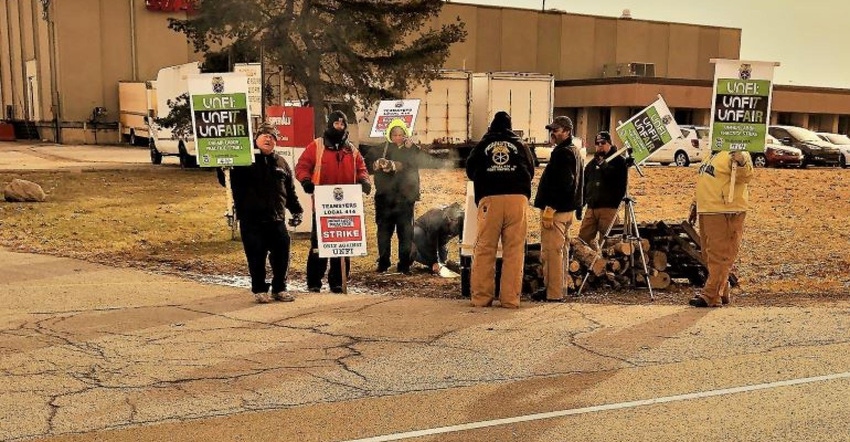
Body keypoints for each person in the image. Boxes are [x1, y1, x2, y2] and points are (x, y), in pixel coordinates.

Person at [217, 124, 304, 304]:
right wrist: (222, 165)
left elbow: (289, 191)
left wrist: (296, 210)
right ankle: (259, 289)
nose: (268, 139)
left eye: (272, 136)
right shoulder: (243, 161)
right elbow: (226, 181)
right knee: (256, 256)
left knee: (282, 254)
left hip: (276, 219)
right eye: (264, 135)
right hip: (252, 220)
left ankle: (279, 288)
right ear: (256, 139)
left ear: (276, 142)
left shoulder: (281, 163)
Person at [295, 110, 371, 293]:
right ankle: (314, 282)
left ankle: (338, 281)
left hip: (346, 206)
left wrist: (364, 181)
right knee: (319, 245)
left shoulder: (351, 149)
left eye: (342, 124)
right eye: (336, 124)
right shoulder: (317, 146)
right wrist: (306, 181)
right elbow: (302, 166)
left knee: (342, 245)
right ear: (330, 125)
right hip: (323, 206)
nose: (340, 127)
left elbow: (362, 168)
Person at [465, 111, 535, 308]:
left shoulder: (483, 145)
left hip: (490, 200)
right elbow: (531, 170)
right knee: (514, 251)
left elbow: (470, 170)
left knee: (485, 249)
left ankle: (481, 298)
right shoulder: (520, 144)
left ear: (492, 126)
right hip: (518, 200)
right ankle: (510, 300)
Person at [688, 149, 753, 307]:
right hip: (707, 209)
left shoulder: (736, 153)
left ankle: (711, 295)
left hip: (726, 209)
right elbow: (704, 181)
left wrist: (742, 160)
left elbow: (746, 176)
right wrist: (695, 204)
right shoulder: (711, 155)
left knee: (721, 254)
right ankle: (722, 290)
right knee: (709, 253)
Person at [532, 116, 584, 302]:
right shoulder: (574, 151)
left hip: (556, 211)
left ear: (568, 131)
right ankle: (560, 289)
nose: (553, 133)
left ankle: (553, 293)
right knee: (561, 252)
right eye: (552, 129)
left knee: (552, 254)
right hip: (567, 211)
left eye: (557, 129)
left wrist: (550, 207)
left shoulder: (562, 153)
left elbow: (565, 183)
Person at [366, 118, 421, 274]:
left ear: (406, 134)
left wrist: (398, 163)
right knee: (383, 232)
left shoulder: (411, 149)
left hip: (405, 199)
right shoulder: (380, 149)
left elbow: (416, 162)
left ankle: (404, 265)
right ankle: (383, 262)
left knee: (405, 233)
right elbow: (367, 164)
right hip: (384, 199)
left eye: (400, 134)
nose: (397, 137)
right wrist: (376, 164)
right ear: (389, 135)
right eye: (394, 134)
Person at [578, 131, 628, 249]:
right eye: (597, 143)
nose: (600, 145)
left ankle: (609, 266)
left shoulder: (619, 161)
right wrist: (580, 204)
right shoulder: (591, 164)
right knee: (582, 241)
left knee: (608, 244)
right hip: (591, 208)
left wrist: (604, 166)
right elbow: (584, 184)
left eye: (603, 142)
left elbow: (618, 181)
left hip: (609, 208)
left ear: (610, 143)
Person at [411, 202, 464, 274]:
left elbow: (464, 242)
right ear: (448, 218)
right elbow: (432, 241)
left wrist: (464, 261)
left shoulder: (463, 221)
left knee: (442, 261)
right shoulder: (436, 220)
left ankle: (434, 263)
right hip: (421, 231)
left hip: (439, 237)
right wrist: (434, 262)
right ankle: (411, 252)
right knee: (419, 238)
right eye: (452, 220)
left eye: (456, 221)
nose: (455, 222)